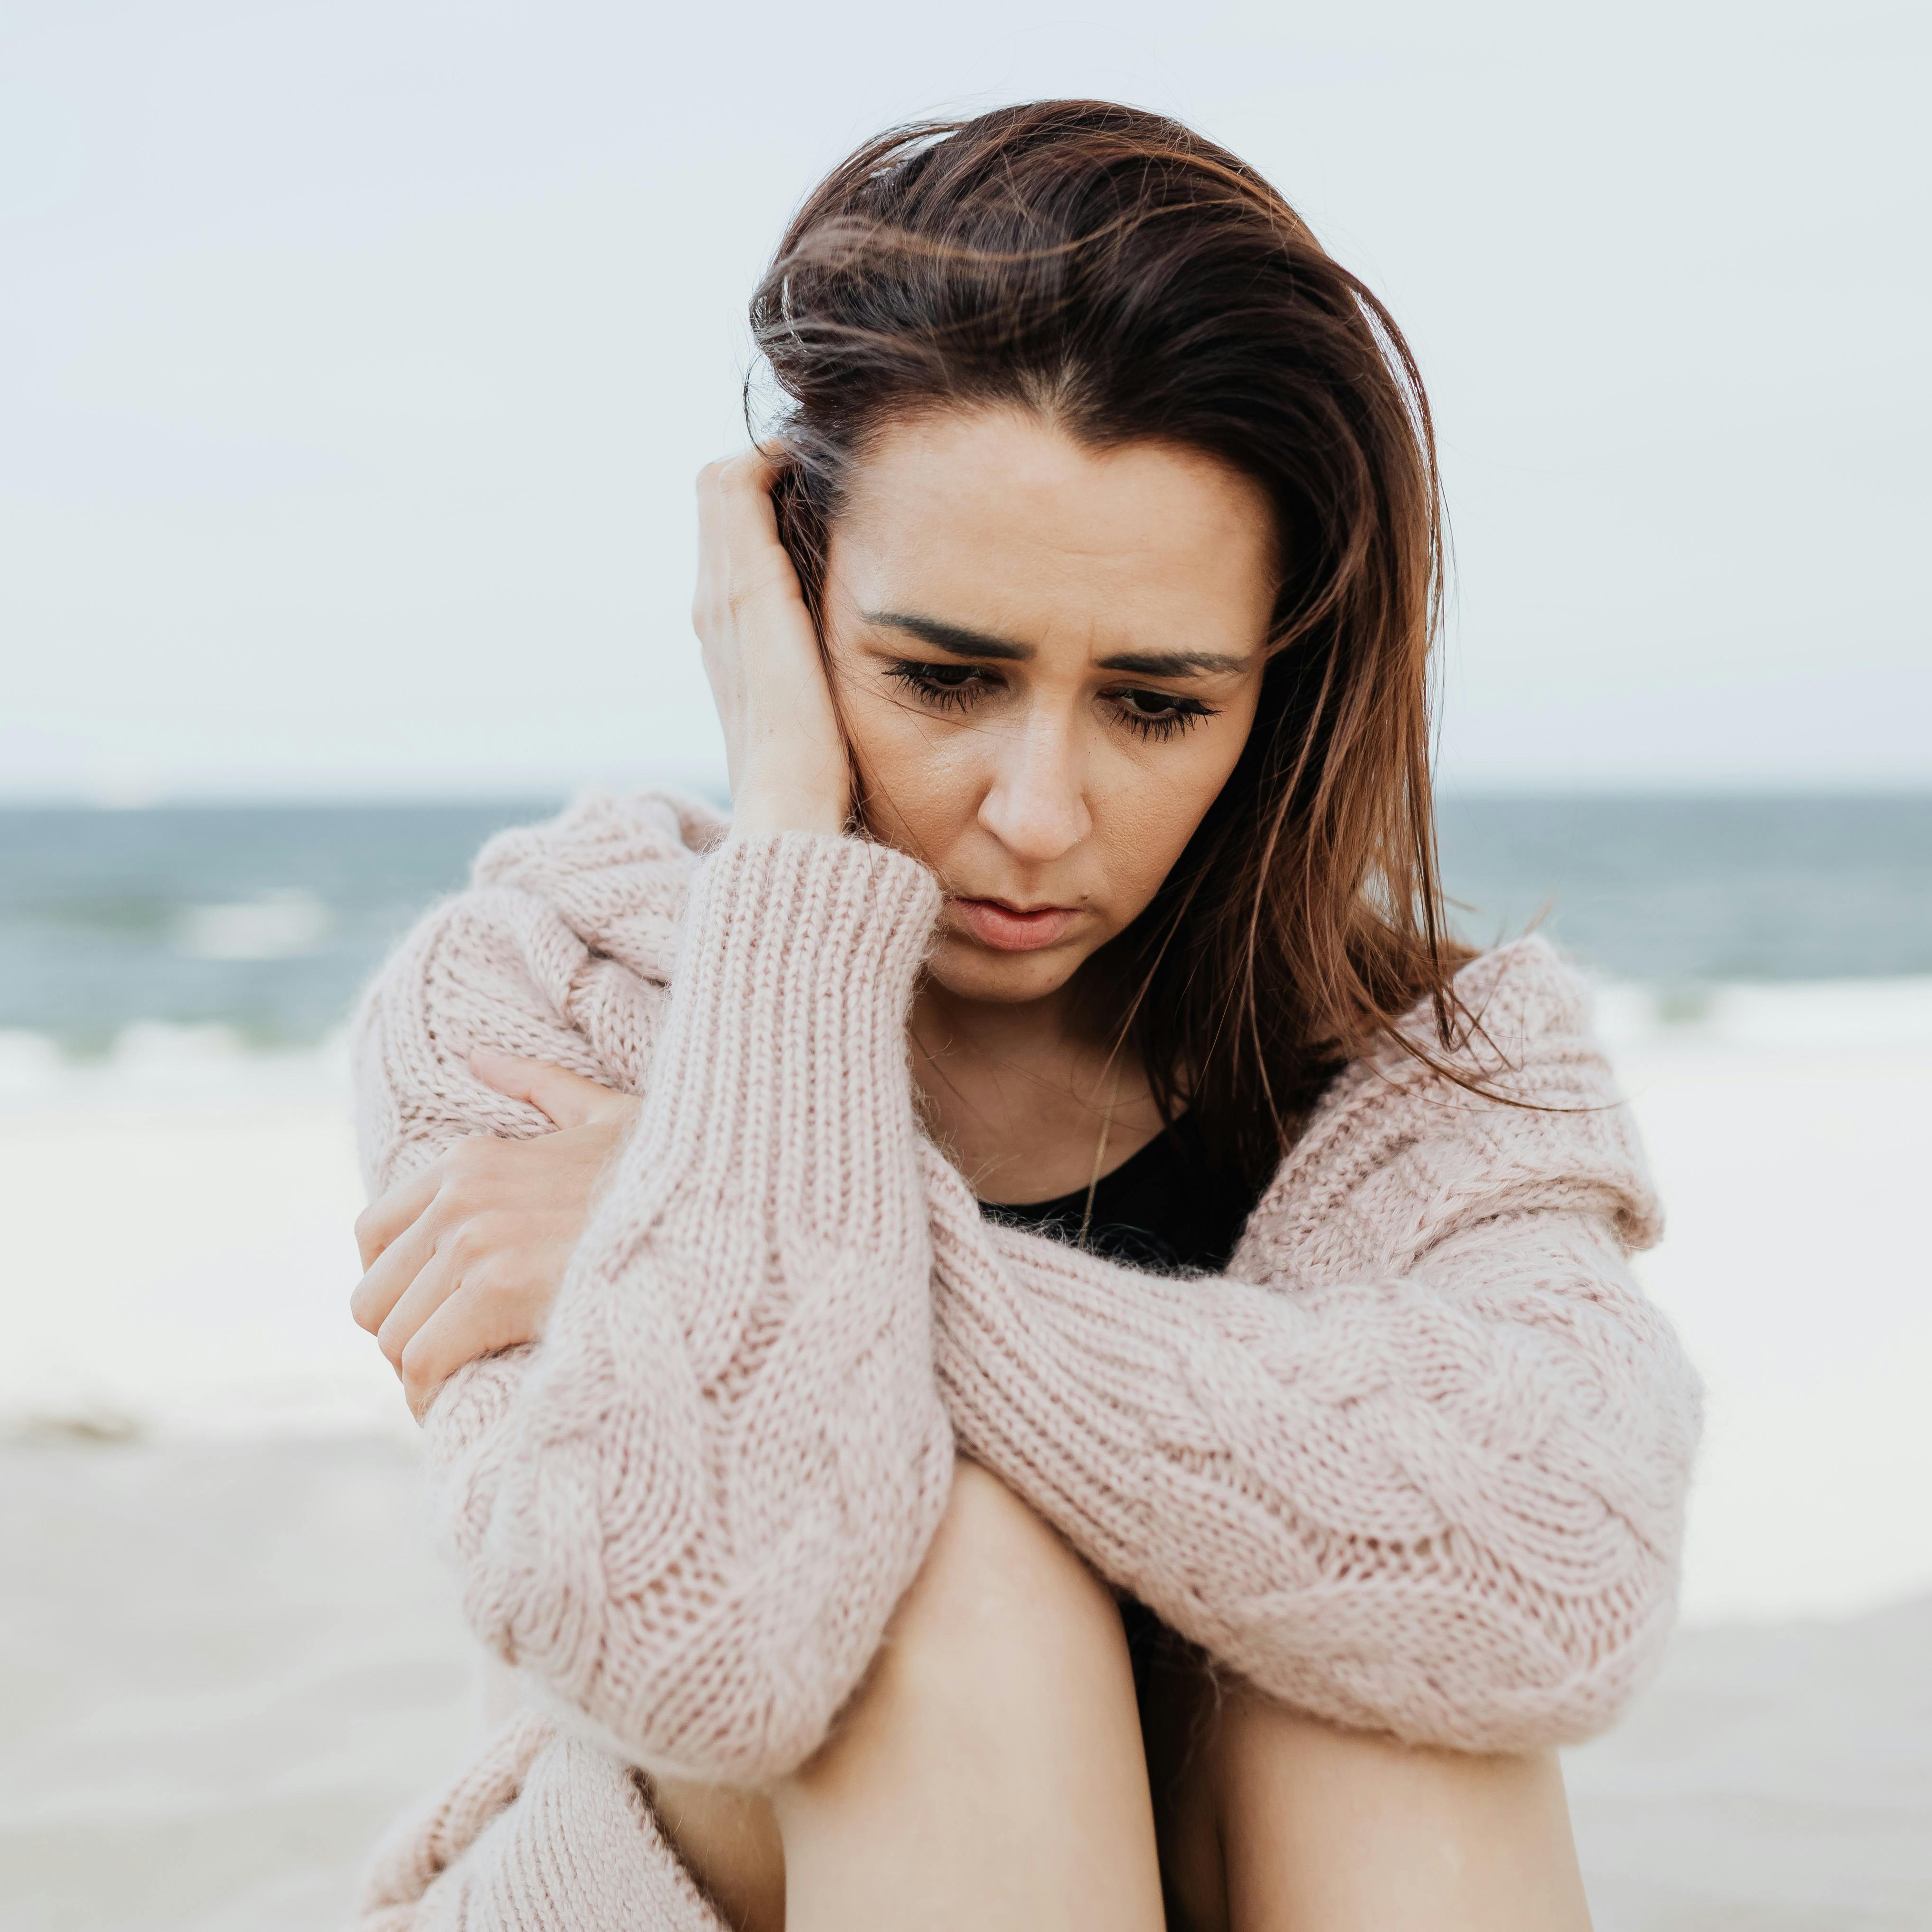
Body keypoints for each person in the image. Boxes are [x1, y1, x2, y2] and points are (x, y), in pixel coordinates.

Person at [343, 100, 1700, 1932]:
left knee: (1398, 1677)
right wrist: (794, 861)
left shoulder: (1429, 1070)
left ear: (1274, 697)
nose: (1039, 813)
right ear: (791, 611)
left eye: (1156, 707)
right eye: (942, 677)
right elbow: (710, 1653)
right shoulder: (543, 999)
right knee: (955, 1583)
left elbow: (1561, 1588)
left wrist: (844, 1253)